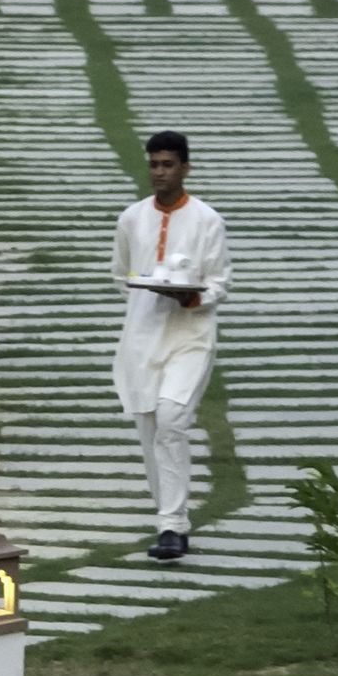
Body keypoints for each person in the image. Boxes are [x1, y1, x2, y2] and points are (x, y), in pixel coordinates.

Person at [114, 128, 229, 560]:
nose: (159, 172)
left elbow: (219, 282)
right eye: (153, 164)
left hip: (190, 334)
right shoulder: (131, 217)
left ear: (185, 168)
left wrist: (191, 295)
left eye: (167, 165)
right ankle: (169, 521)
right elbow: (122, 275)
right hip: (142, 335)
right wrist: (151, 295)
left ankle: (172, 527)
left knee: (172, 419)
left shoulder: (206, 220)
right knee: (149, 428)